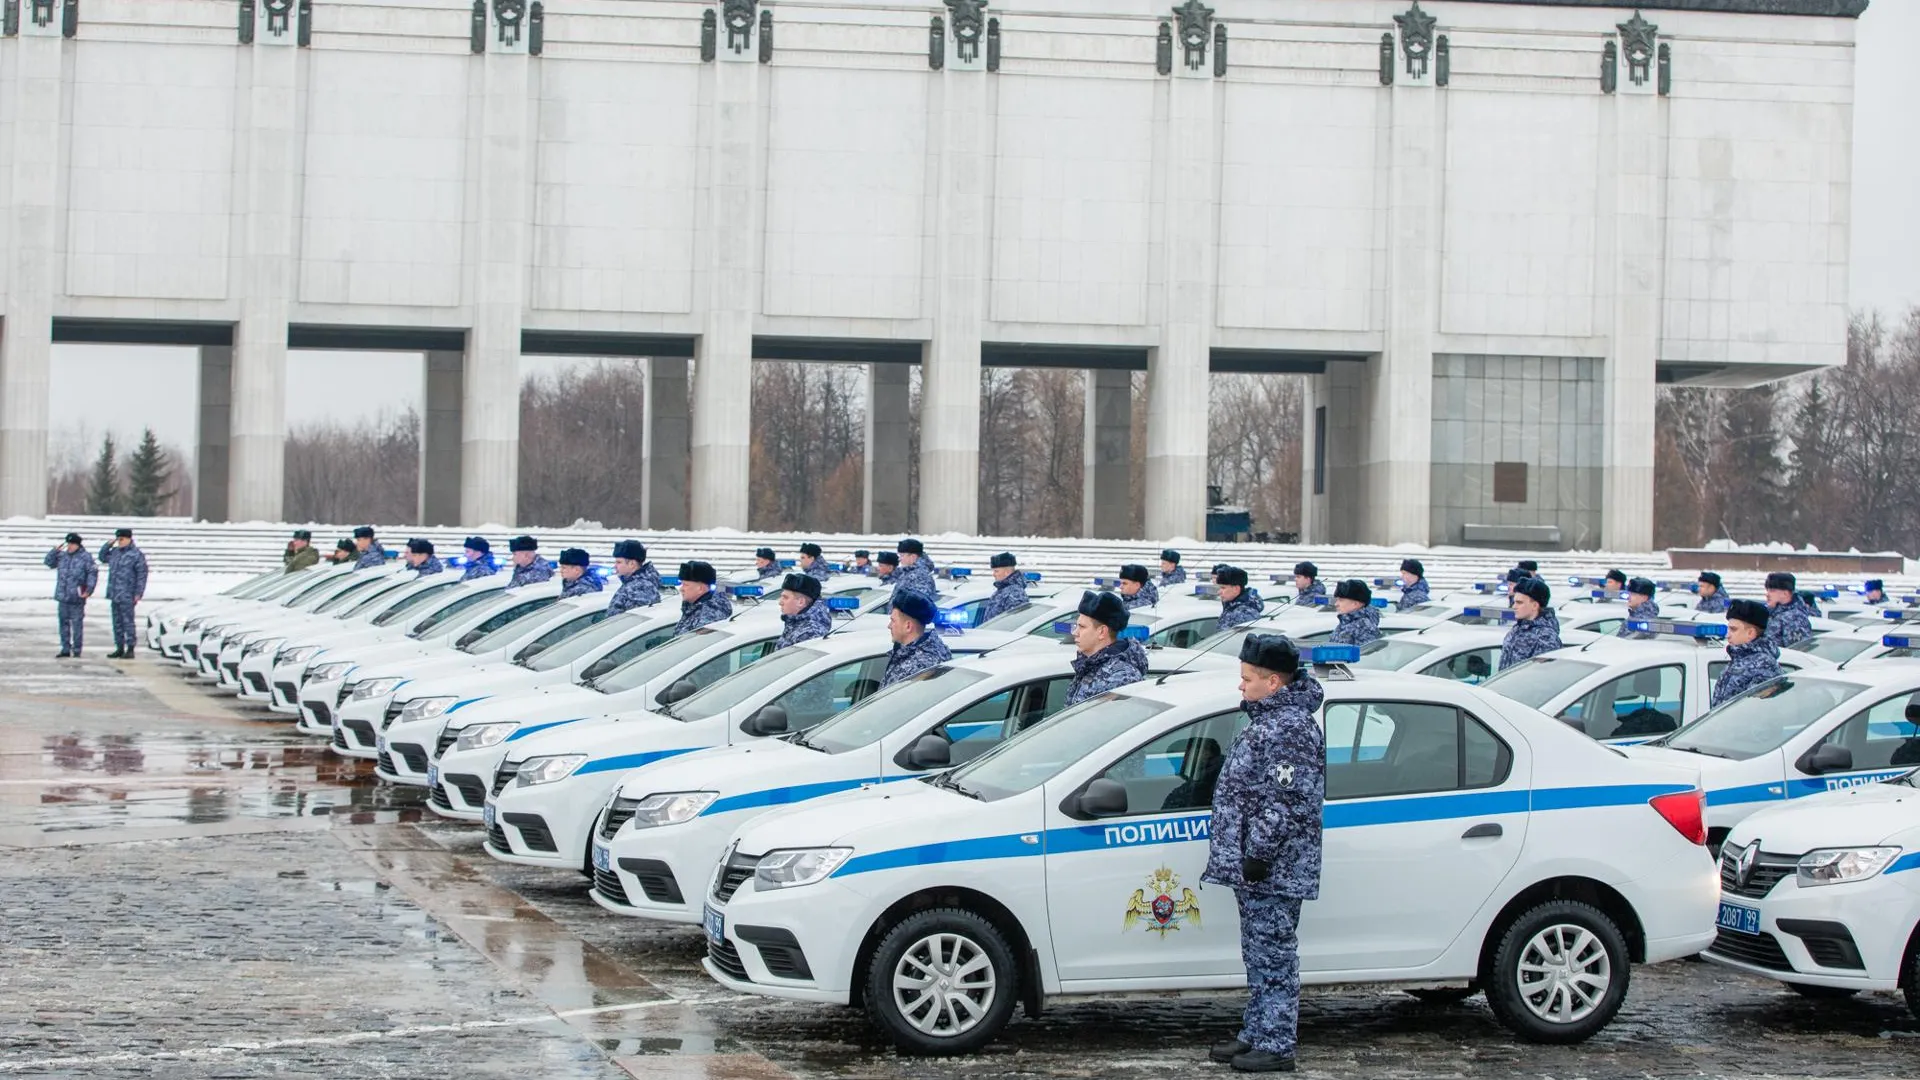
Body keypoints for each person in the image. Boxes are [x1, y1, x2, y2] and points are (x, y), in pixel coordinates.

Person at [1203, 633, 1325, 1075]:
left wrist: (1258, 851)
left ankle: (1276, 1043)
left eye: (1247, 678)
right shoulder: (1270, 720)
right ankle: (1256, 1032)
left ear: (1273, 682)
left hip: (1274, 867)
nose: (1241, 686)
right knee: (1258, 951)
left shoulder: (1291, 727)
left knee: (1274, 954)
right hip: (1256, 867)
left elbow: (1286, 799)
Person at [1065, 590, 1148, 705]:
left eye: (1082, 627)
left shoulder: (1120, 677)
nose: (1075, 632)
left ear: (1102, 632)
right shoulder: (1090, 664)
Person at [1711, 599, 1781, 708]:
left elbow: (1754, 712)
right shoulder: (1739, 659)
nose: (1727, 635)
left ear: (1751, 633)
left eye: (1733, 630)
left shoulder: (1764, 666)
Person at [44, 533, 98, 659]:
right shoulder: (63, 556)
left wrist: (89, 590)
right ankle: (65, 648)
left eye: (72, 544)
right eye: (69, 544)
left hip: (77, 597)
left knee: (77, 624)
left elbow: (92, 574)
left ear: (78, 545)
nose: (70, 547)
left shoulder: (86, 557)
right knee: (63, 624)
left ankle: (77, 649)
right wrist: (54, 551)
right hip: (63, 596)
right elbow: (48, 562)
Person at [881, 590, 951, 687]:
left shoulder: (921, 666)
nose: (889, 626)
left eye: (893, 621)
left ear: (908, 626)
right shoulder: (907, 654)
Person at [97, 528, 148, 659]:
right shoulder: (115, 553)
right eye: (118, 539)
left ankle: (130, 648)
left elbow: (142, 575)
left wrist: (138, 593)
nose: (120, 542)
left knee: (128, 622)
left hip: (127, 593)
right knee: (117, 622)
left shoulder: (136, 555)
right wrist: (108, 544)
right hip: (115, 593)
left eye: (122, 539)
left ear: (129, 539)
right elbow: (102, 557)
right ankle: (119, 647)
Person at [1500, 577, 1563, 670]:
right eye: (1514, 602)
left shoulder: (1545, 638)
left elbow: (1542, 676)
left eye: (1519, 602)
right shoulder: (1517, 629)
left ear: (1535, 605)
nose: (1514, 606)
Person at [674, 561, 733, 634]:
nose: (681, 589)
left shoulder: (710, 614)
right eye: (681, 584)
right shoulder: (693, 608)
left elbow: (696, 643)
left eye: (686, 585)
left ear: (700, 588)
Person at [776, 573, 832, 648]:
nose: (780, 602)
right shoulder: (796, 622)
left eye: (785, 597)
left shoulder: (810, 633)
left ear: (801, 602)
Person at [607, 540, 662, 614]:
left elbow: (636, 620)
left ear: (632, 564)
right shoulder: (633, 584)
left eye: (619, 562)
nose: (615, 566)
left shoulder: (641, 587)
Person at [1763, 572, 1814, 647]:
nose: (1767, 595)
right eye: (1767, 590)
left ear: (1785, 594)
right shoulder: (1774, 614)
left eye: (1772, 590)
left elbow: (1796, 650)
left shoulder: (1795, 618)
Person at [1329, 579, 1380, 646]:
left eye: (1341, 600)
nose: (1336, 604)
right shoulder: (1346, 622)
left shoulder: (1364, 628)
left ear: (1355, 604)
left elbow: (1365, 654)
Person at [981, 552, 1030, 622]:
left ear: (1007, 572)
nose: (994, 574)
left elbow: (1014, 622)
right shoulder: (1003, 590)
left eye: (996, 571)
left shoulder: (1015, 593)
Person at [1216, 566, 1263, 630]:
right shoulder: (1231, 607)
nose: (1219, 592)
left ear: (1236, 589)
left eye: (1223, 588)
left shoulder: (1245, 613)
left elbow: (1238, 639)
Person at [892, 538, 938, 603]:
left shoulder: (921, 576)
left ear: (913, 557)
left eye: (902, 555)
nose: (899, 559)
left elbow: (917, 604)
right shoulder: (907, 573)